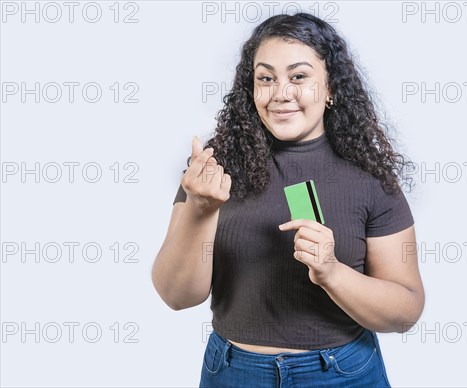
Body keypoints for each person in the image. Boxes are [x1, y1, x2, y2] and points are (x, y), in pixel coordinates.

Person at [151, 12, 425, 388]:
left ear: (330, 88)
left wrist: (332, 273)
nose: (280, 93)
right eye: (266, 78)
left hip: (342, 374)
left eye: (299, 76)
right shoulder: (214, 169)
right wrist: (200, 209)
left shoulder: (369, 177)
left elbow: (405, 311)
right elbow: (176, 296)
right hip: (233, 374)